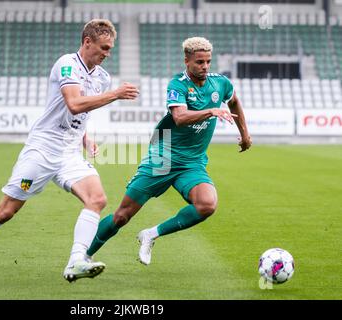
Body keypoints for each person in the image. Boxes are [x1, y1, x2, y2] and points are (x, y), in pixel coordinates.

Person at [0, 19, 139, 289]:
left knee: (97, 199)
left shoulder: (102, 77)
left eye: (110, 49)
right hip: (43, 149)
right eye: (103, 48)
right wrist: (116, 95)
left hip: (69, 152)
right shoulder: (67, 64)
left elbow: (78, 115)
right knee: (6, 212)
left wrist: (85, 138)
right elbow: (73, 104)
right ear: (87, 42)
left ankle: (76, 260)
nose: (107, 54)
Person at [86, 37, 252, 266]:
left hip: (192, 162)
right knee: (122, 215)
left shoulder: (220, 83)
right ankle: (85, 255)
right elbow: (180, 117)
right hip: (163, 154)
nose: (204, 67)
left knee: (207, 205)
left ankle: (151, 234)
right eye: (199, 62)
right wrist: (211, 111)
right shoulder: (178, 84)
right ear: (187, 61)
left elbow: (234, 101)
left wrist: (245, 134)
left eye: (208, 62)